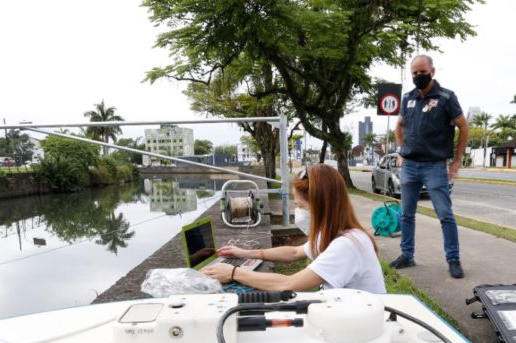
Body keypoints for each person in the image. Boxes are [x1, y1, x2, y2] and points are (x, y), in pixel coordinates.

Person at [201, 164, 386, 293]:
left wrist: (233, 273)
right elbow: (294, 252)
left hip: (362, 327)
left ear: (320, 206)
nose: (298, 211)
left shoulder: (346, 245)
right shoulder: (334, 232)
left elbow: (289, 284)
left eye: (300, 205)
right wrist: (245, 253)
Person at [389, 54, 470, 279]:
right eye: (414, 73)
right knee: (406, 214)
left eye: (422, 72)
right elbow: (399, 125)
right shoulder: (408, 98)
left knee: (445, 214)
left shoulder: (446, 97)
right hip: (410, 165)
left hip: (434, 166)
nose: (418, 76)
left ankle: (453, 259)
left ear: (432, 72)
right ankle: (407, 255)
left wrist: (457, 160)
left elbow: (463, 127)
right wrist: (401, 150)